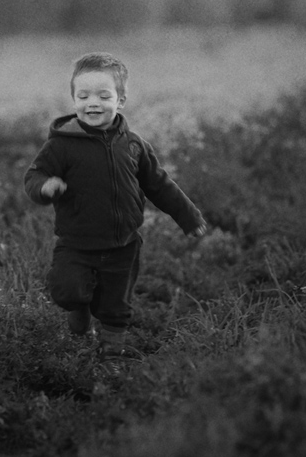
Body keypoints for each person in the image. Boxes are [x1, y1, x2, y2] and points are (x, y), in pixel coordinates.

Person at [24, 52, 207, 363]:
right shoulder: (61, 145)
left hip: (123, 243)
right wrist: (45, 186)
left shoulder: (134, 145)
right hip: (76, 242)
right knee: (66, 290)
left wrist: (189, 217)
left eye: (103, 96)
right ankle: (80, 307)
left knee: (115, 304)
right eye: (83, 96)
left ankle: (112, 354)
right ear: (74, 100)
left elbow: (160, 185)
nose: (92, 103)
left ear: (120, 100)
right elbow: (34, 175)